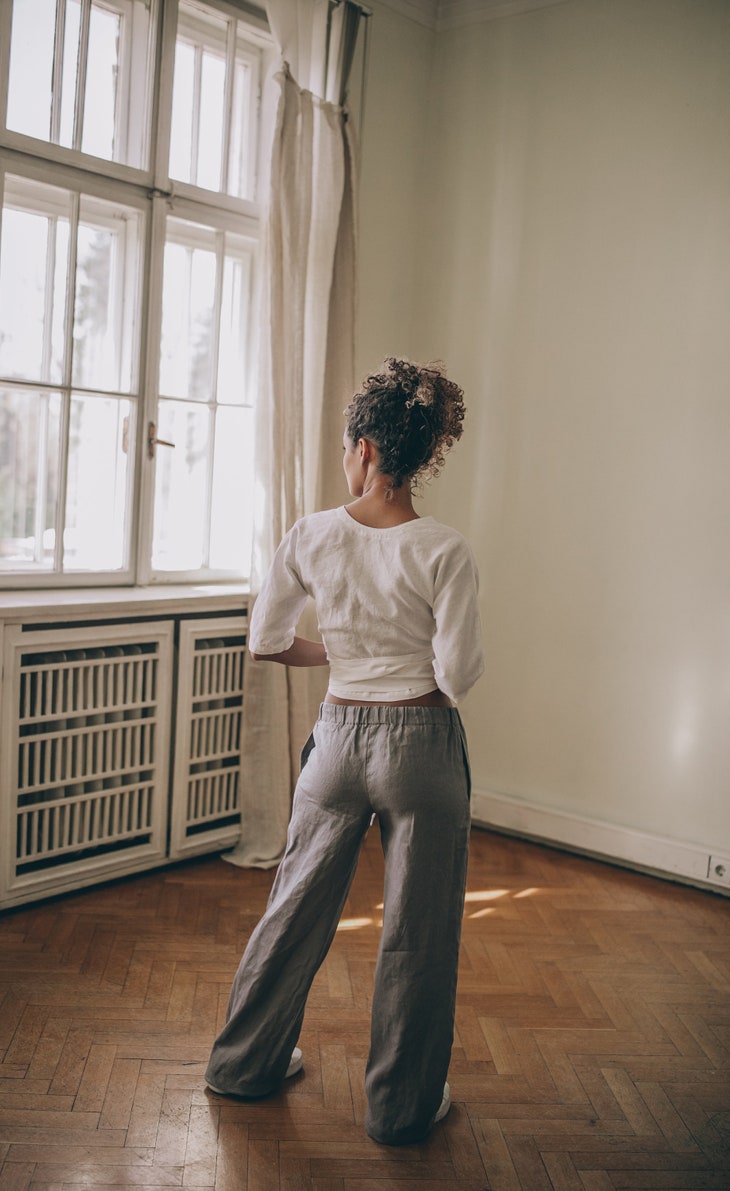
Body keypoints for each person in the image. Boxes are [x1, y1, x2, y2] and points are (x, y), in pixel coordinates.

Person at [204, 357, 484, 1145]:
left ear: (364, 447)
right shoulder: (444, 548)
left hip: (336, 739)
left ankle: (243, 1064)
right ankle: (400, 1109)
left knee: (292, 908)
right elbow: (458, 676)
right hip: (422, 747)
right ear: (421, 451)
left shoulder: (311, 533)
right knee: (417, 931)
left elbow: (265, 640)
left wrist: (339, 654)